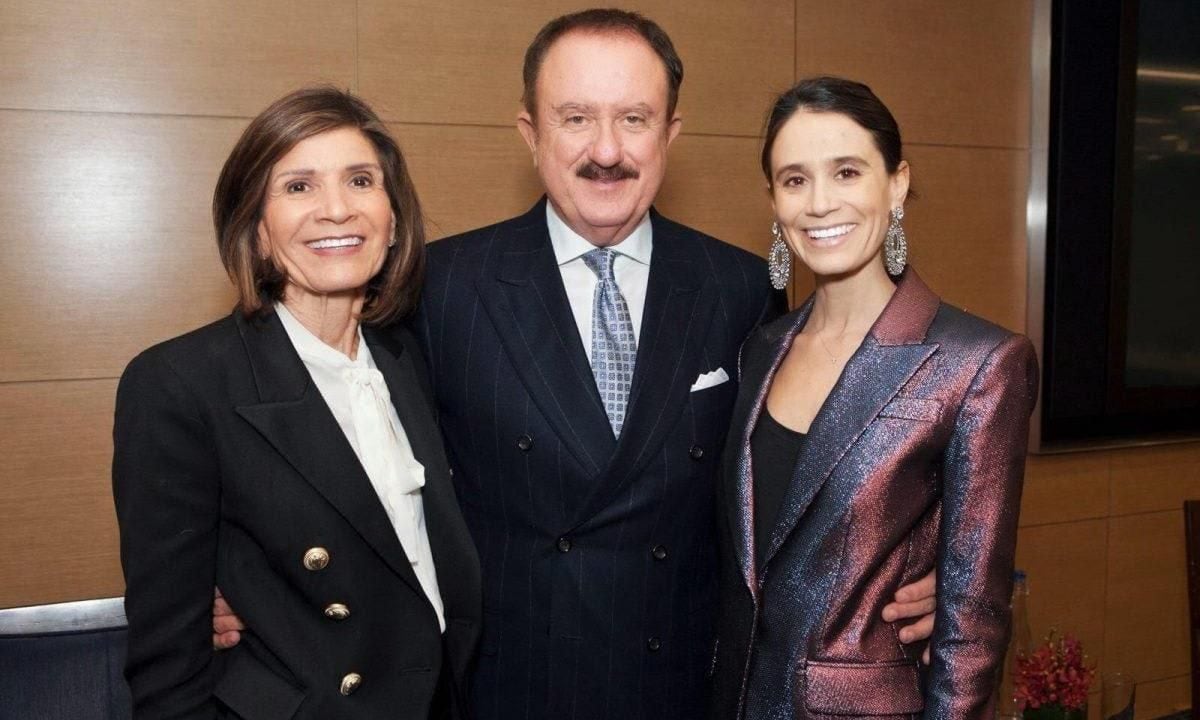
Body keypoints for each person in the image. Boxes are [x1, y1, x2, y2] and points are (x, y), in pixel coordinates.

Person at [213, 11, 939, 719]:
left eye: (634, 119)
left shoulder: (741, 287)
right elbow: (344, 442)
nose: (607, 150)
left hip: (684, 686)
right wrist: (246, 570)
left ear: (669, 134)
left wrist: (906, 562)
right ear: (530, 132)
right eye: (575, 118)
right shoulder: (441, 286)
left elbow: (790, 473)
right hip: (508, 684)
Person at [112, 87, 480, 719]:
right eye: (299, 187)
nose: (337, 210)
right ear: (256, 228)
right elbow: (168, 671)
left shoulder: (410, 358)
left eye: (361, 180)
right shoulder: (179, 385)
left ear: (393, 221)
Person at [708, 76, 1039, 719]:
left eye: (848, 172)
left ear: (897, 183)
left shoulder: (977, 365)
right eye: (795, 179)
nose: (820, 203)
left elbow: (972, 629)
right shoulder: (762, 349)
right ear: (773, 201)